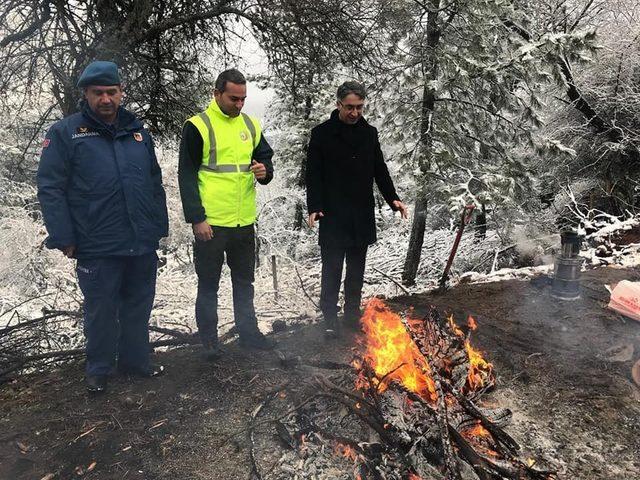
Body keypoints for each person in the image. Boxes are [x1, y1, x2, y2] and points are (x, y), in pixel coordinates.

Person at [37, 61, 169, 393]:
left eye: (112, 92)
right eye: (98, 93)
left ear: (121, 92)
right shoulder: (65, 133)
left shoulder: (138, 133)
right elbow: (50, 187)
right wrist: (63, 236)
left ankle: (135, 362)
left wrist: (158, 227)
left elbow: (154, 182)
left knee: (139, 304)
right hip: (96, 242)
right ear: (86, 94)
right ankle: (98, 369)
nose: (106, 99)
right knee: (101, 310)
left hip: (140, 239)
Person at [178, 68, 276, 359]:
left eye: (243, 99)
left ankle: (249, 334)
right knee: (208, 285)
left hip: (244, 221)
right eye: (233, 99)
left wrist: (264, 171)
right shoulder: (198, 126)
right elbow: (186, 175)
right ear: (217, 93)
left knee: (244, 282)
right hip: (212, 223)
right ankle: (209, 342)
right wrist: (197, 218)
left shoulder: (251, 125)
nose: (239, 104)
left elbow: (266, 159)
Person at [306, 81, 408, 337]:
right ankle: (329, 318)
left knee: (356, 269)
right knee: (332, 269)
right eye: (349, 107)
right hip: (333, 212)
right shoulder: (321, 133)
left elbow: (379, 169)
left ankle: (352, 316)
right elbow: (313, 174)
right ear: (338, 104)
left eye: (359, 107)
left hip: (361, 211)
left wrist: (392, 198)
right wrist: (315, 206)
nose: (354, 113)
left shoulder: (369, 133)